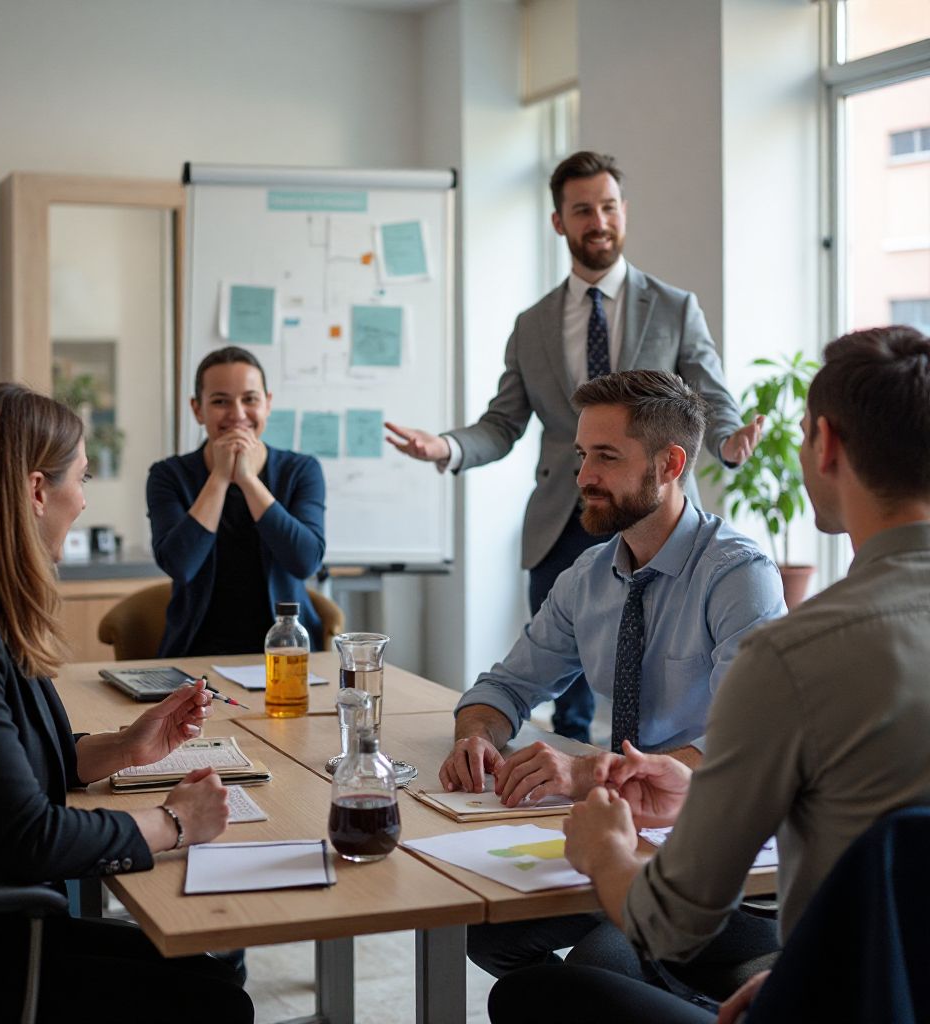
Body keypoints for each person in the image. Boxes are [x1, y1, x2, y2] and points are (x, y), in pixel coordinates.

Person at [487, 325, 930, 1023]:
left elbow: (671, 924)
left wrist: (606, 851)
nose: (583, 475)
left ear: (827, 446)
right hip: (879, 979)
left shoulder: (792, 652)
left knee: (536, 995)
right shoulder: (590, 575)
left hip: (830, 984)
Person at [0, 383, 254, 1023]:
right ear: (38, 490)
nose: (84, 498)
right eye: (82, 477)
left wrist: (125, 747)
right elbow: (29, 835)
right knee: (214, 1003)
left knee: (211, 979)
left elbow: (5, 768)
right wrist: (175, 823)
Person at [386, 151, 762, 743]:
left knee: (659, 682)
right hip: (566, 520)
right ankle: (570, 789)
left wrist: (729, 445)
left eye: (609, 207)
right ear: (559, 222)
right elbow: (502, 423)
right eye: (583, 210)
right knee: (564, 692)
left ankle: (620, 783)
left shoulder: (673, 306)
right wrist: (449, 448)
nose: (599, 221)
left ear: (624, 213)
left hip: (651, 510)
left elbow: (707, 400)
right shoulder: (532, 323)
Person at [439, 369, 785, 984]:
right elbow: (505, 687)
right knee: (490, 933)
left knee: (599, 970)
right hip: (625, 837)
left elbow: (748, 749)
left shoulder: (738, 575)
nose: (583, 477)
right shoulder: (588, 576)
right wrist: (479, 737)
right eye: (581, 456)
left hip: (730, 861)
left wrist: (585, 772)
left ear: (670, 463)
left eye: (606, 457)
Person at [148, 346, 325, 656]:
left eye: (250, 399)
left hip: (287, 655)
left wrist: (248, 480)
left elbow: (305, 561)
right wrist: (219, 477)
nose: (238, 414)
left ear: (267, 404)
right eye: (220, 401)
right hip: (195, 656)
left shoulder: (301, 470)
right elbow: (180, 565)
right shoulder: (168, 475)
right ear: (197, 410)